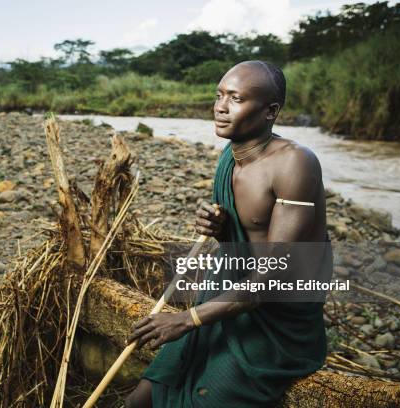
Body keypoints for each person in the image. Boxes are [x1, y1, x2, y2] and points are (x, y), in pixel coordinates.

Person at [124, 60, 331, 407]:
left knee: (207, 397)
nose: (220, 107)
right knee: (143, 396)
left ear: (270, 111)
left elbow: (270, 279)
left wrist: (187, 319)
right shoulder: (231, 153)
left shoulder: (295, 163)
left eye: (235, 98)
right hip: (229, 296)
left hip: (276, 318)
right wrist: (221, 228)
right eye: (219, 95)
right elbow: (243, 241)